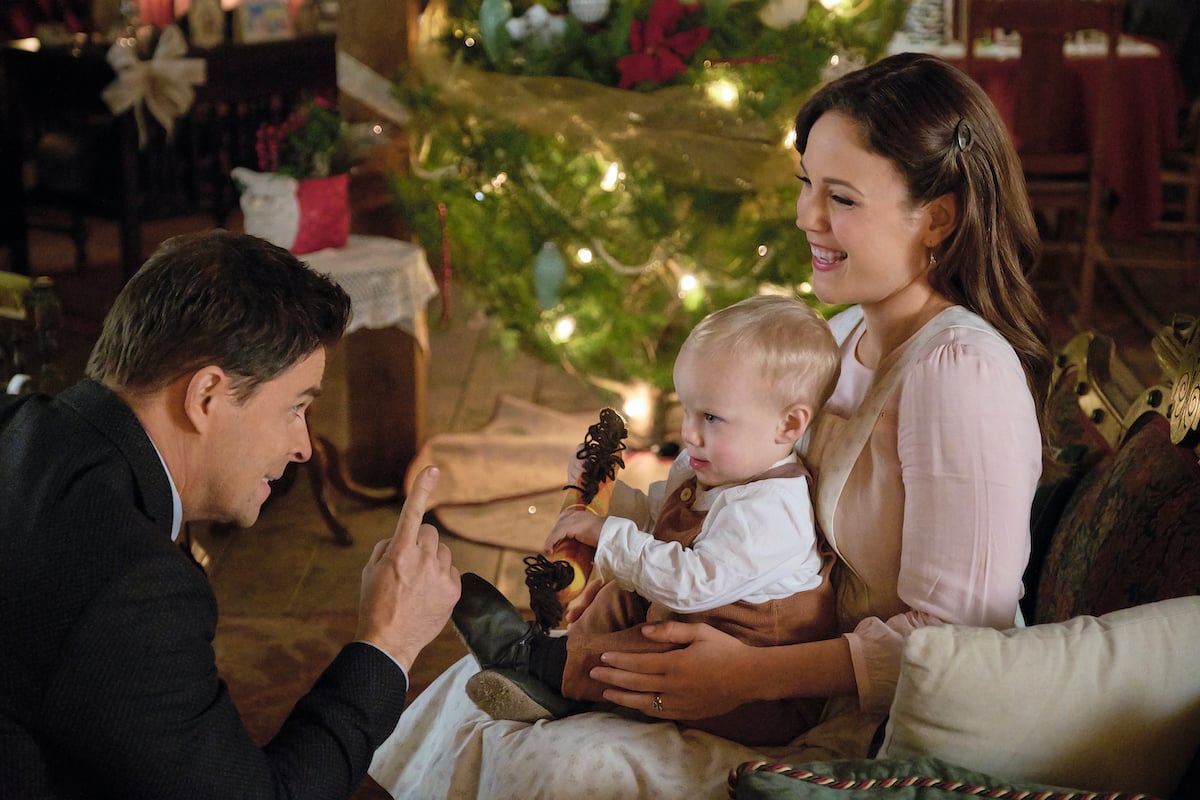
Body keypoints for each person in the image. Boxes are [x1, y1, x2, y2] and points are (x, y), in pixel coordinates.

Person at [367, 51, 1053, 798]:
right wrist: (633, 563)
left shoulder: (960, 373)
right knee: (478, 694)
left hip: (886, 733)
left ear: (938, 218)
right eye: (806, 185)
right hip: (774, 670)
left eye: (841, 198)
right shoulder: (842, 335)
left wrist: (750, 676)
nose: (806, 217)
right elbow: (747, 502)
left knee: (554, 763)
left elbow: (959, 648)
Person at [0, 230, 461, 799]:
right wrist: (389, 642)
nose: (304, 447)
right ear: (206, 397)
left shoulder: (17, 423)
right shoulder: (132, 588)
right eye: (295, 408)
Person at [451, 296, 841, 746]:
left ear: (788, 425)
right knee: (623, 590)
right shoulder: (713, 468)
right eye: (687, 410)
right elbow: (659, 518)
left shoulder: (772, 511)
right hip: (699, 621)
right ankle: (559, 668)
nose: (688, 433)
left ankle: (538, 662)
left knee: (659, 643)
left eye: (711, 417)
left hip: (748, 687)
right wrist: (606, 495)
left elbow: (691, 583)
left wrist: (606, 535)